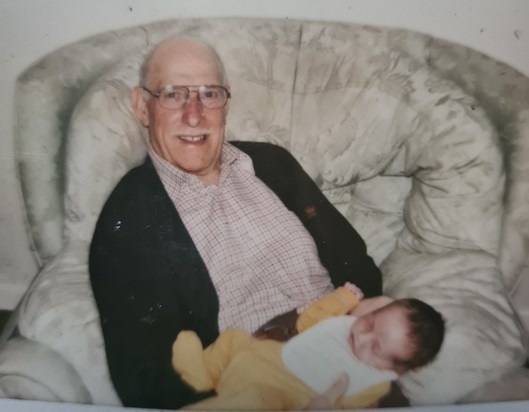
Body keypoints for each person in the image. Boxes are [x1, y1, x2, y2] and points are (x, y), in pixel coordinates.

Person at [89, 37, 382, 409]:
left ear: (226, 103)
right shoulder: (128, 216)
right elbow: (144, 377)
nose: (194, 115)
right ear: (142, 107)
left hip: (354, 356)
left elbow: (357, 265)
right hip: (259, 387)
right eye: (173, 94)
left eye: (208, 94)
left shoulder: (273, 163)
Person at [172, 284, 445, 410]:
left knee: (252, 403)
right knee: (233, 337)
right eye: (370, 324)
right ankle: (203, 373)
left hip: (278, 394)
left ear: (396, 369)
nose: (361, 338)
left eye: (376, 350)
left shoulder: (374, 386)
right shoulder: (346, 324)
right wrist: (341, 299)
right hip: (257, 356)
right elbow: (308, 323)